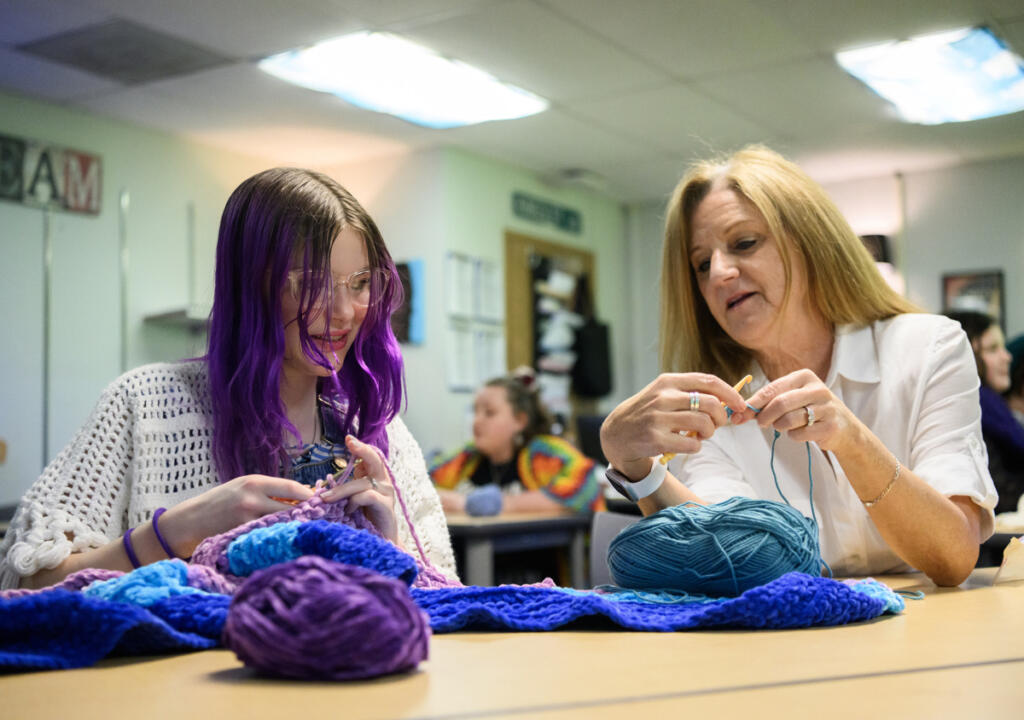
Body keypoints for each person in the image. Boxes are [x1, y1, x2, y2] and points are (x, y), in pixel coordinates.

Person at [0, 168, 456, 590]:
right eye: (313, 284)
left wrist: (389, 552)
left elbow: (448, 601)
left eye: (359, 283)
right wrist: (175, 532)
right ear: (251, 288)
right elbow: (22, 584)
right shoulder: (143, 405)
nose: (343, 313)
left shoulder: (381, 434)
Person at [600, 145, 996, 587]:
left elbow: (953, 557)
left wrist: (849, 439)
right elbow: (727, 560)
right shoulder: (712, 405)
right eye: (701, 263)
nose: (719, 274)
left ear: (809, 242)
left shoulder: (929, 348)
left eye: (744, 243)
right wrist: (635, 468)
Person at [430, 369, 606, 515]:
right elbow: (417, 484)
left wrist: (492, 504)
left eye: (489, 413)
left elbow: (585, 485)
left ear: (520, 421)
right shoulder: (468, 457)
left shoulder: (542, 452)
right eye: (475, 412)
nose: (477, 421)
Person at [944, 311, 1024, 515]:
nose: (1007, 357)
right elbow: (998, 495)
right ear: (965, 356)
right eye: (993, 349)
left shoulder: (996, 410)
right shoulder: (970, 415)